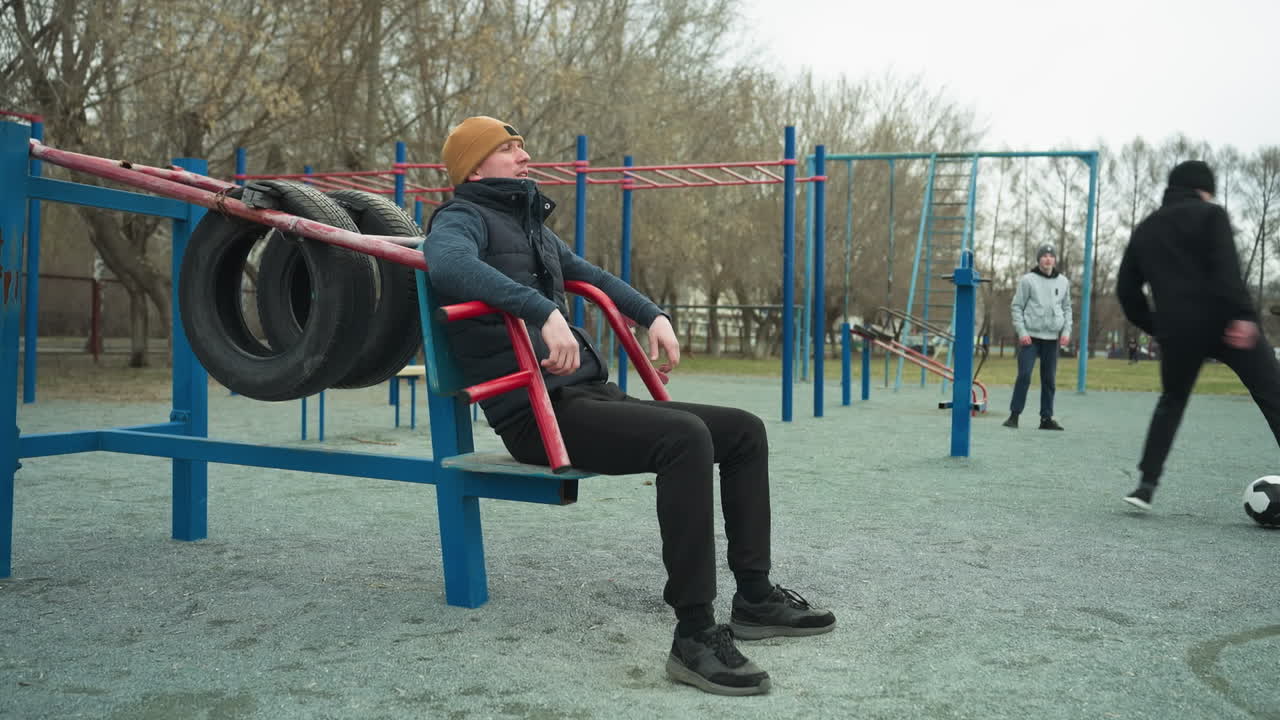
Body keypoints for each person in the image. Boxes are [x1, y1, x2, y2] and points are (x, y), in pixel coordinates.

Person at [422, 116, 835, 696]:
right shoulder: (461, 219)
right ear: (473, 166)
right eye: (507, 147)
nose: (523, 153)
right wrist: (541, 310)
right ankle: (694, 635)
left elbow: (590, 274)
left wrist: (653, 313)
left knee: (742, 431)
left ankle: (755, 596)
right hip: (536, 414)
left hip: (587, 397)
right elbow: (446, 264)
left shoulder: (531, 227)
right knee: (685, 437)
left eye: (520, 143)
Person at [1116, 160, 1280, 510]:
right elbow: (1227, 269)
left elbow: (1127, 290)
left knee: (1171, 402)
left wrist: (1157, 326)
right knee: (1272, 392)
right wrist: (1243, 316)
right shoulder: (1211, 215)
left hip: (1178, 332)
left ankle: (1145, 486)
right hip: (1227, 324)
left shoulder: (1146, 228)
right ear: (1203, 189)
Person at [1004, 243, 1072, 430]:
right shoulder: (1028, 280)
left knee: (1049, 379)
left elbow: (1067, 309)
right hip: (1030, 338)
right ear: (1039, 259)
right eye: (1044, 256)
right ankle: (1014, 416)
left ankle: (1046, 419)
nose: (1048, 259)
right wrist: (1022, 332)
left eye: (1051, 256)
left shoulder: (1063, 282)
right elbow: (1017, 306)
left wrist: (1065, 332)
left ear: (1055, 260)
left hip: (1052, 338)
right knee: (1024, 375)